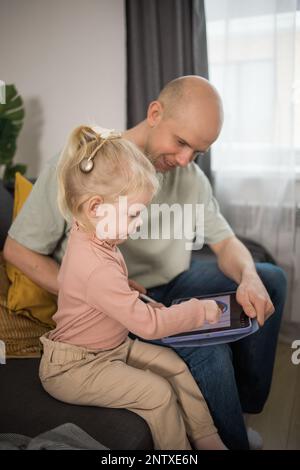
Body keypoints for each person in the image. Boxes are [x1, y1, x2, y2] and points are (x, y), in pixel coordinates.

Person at [4, 76, 287, 450]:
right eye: (181, 142)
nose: (186, 160)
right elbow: (17, 250)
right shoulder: (84, 168)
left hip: (170, 283)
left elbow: (225, 240)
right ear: (155, 113)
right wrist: (98, 292)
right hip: (115, 305)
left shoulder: (188, 175)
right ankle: (230, 439)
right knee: (208, 351)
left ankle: (243, 407)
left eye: (197, 152)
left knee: (270, 278)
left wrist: (248, 276)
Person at [39, 124, 227, 450]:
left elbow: (91, 287)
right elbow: (148, 326)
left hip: (109, 348)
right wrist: (199, 311)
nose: (138, 224)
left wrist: (126, 288)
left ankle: (208, 440)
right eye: (134, 214)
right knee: (157, 393)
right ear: (96, 207)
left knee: (176, 367)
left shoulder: (90, 232)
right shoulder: (95, 262)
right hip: (75, 367)